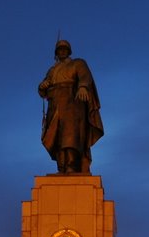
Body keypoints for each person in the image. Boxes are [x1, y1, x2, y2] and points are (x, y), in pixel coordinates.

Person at [38, 39, 103, 174]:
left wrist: (83, 86)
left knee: (71, 136)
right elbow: (44, 88)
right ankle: (61, 168)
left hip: (72, 102)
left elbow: (85, 76)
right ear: (56, 52)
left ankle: (71, 166)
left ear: (68, 51)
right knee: (57, 136)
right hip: (55, 104)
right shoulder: (52, 70)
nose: (62, 51)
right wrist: (42, 86)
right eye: (59, 49)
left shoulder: (77, 63)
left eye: (64, 49)